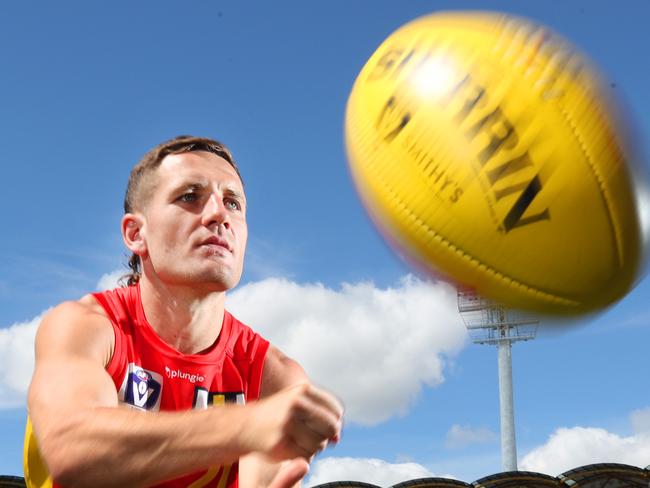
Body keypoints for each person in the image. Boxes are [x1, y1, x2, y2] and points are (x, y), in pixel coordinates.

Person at [24, 135, 344, 488]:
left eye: (233, 203)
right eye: (189, 196)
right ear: (135, 233)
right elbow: (74, 452)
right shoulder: (85, 326)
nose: (219, 214)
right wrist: (248, 425)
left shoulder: (276, 378)